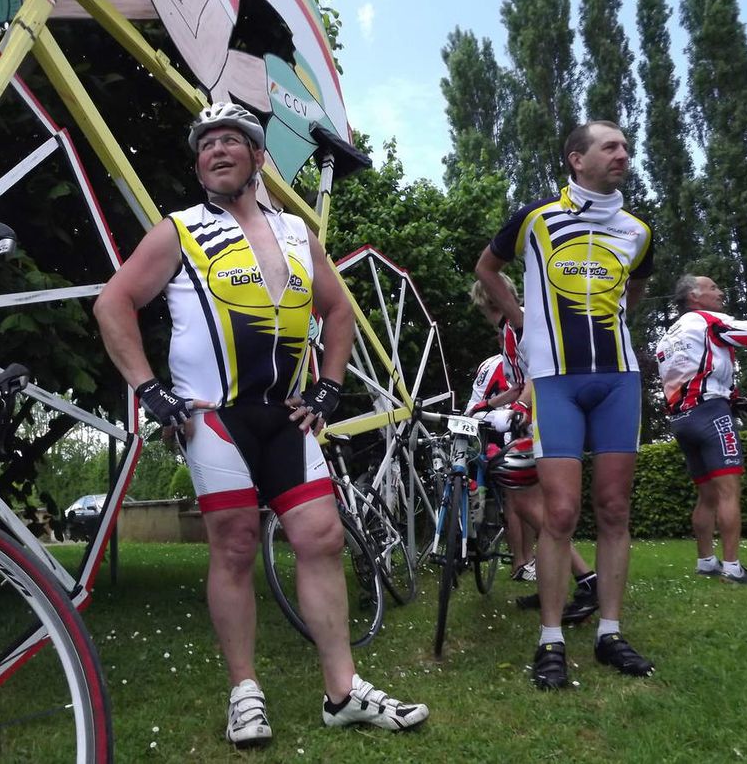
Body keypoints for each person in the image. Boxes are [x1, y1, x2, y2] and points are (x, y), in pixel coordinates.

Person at [94, 103, 428, 746]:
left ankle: (343, 692)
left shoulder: (299, 233)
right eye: (205, 146)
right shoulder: (179, 231)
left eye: (229, 141)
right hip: (214, 419)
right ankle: (244, 692)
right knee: (236, 542)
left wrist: (329, 388)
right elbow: (114, 302)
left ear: (256, 155)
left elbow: (338, 312)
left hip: (285, 416)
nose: (215, 151)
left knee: (322, 536)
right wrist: (149, 390)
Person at [474, 120, 655, 690]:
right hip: (555, 381)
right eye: (611, 146)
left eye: (626, 146)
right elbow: (487, 267)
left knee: (615, 508)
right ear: (577, 159)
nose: (623, 153)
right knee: (558, 512)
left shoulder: (638, 231)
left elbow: (636, 288)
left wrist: (616, 321)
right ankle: (550, 638)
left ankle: (609, 630)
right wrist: (524, 320)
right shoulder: (535, 218)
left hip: (618, 379)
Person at [467, 276, 599, 622]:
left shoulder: (518, 325)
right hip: (540, 412)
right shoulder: (513, 328)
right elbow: (519, 384)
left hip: (544, 415)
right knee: (523, 500)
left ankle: (587, 579)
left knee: (527, 502)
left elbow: (540, 374)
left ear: (485, 302)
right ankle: (553, 587)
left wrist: (519, 411)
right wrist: (487, 406)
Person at [655, 275, 747, 585]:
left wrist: (730, 394)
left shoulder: (667, 336)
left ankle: (705, 562)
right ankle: (732, 568)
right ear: (694, 296)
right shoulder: (706, 320)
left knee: (707, 496)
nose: (720, 292)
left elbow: (689, 375)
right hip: (711, 413)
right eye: (713, 287)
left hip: (681, 420)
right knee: (729, 493)